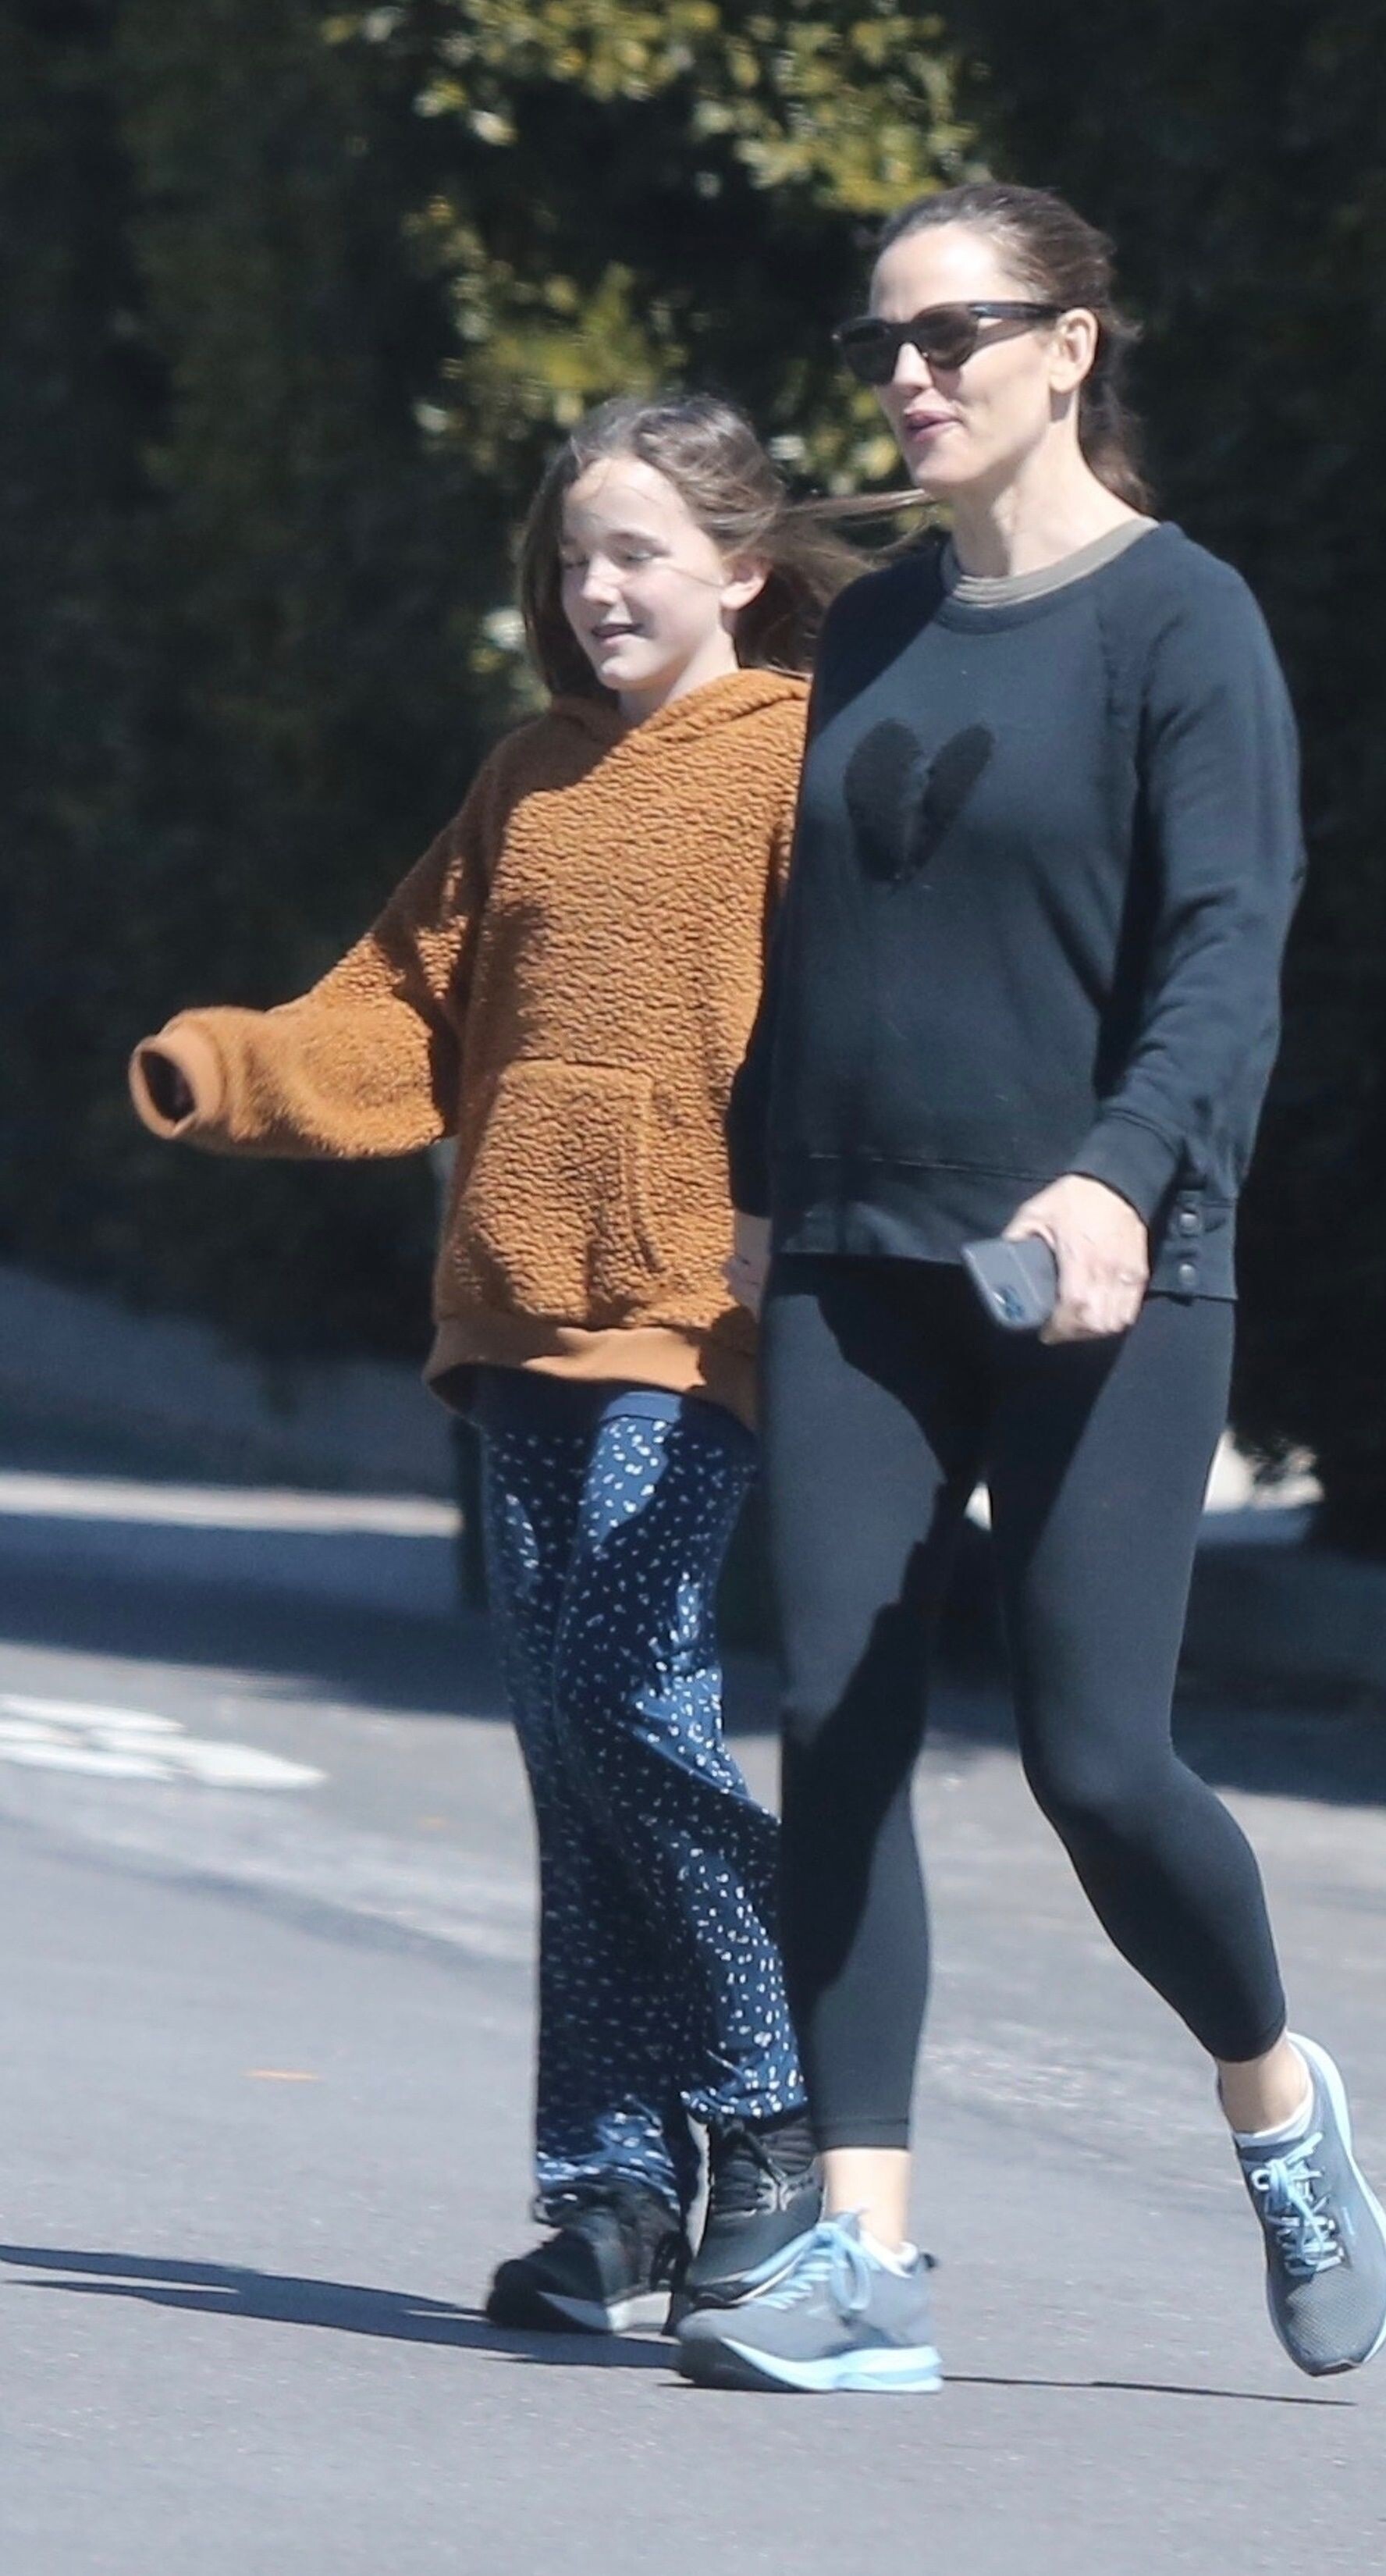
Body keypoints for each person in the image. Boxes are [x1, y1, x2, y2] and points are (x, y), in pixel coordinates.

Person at [676, 183, 1386, 2394]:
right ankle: (865, 2255)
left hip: (1107, 1268)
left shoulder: (1184, 623)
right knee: (840, 1729)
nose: (909, 375)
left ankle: (1274, 2096)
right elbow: (816, 945)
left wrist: (1114, 1180)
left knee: (1097, 1763)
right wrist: (751, 1195)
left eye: (955, 332)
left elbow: (1226, 954)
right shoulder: (880, 627)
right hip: (856, 1258)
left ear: (1071, 345)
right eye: (882, 341)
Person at [129, 393, 859, 2336]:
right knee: (567, 1742)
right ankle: (611, 2188)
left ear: (741, 568)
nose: (596, 587)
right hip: (512, 1310)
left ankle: (773, 2110)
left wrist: (800, 1219)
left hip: (689, 1317)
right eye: (571, 556)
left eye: (636, 552)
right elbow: (401, 1008)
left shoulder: (795, 761)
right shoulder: (527, 776)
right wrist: (233, 1068)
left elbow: (856, 1021)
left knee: (626, 1701)